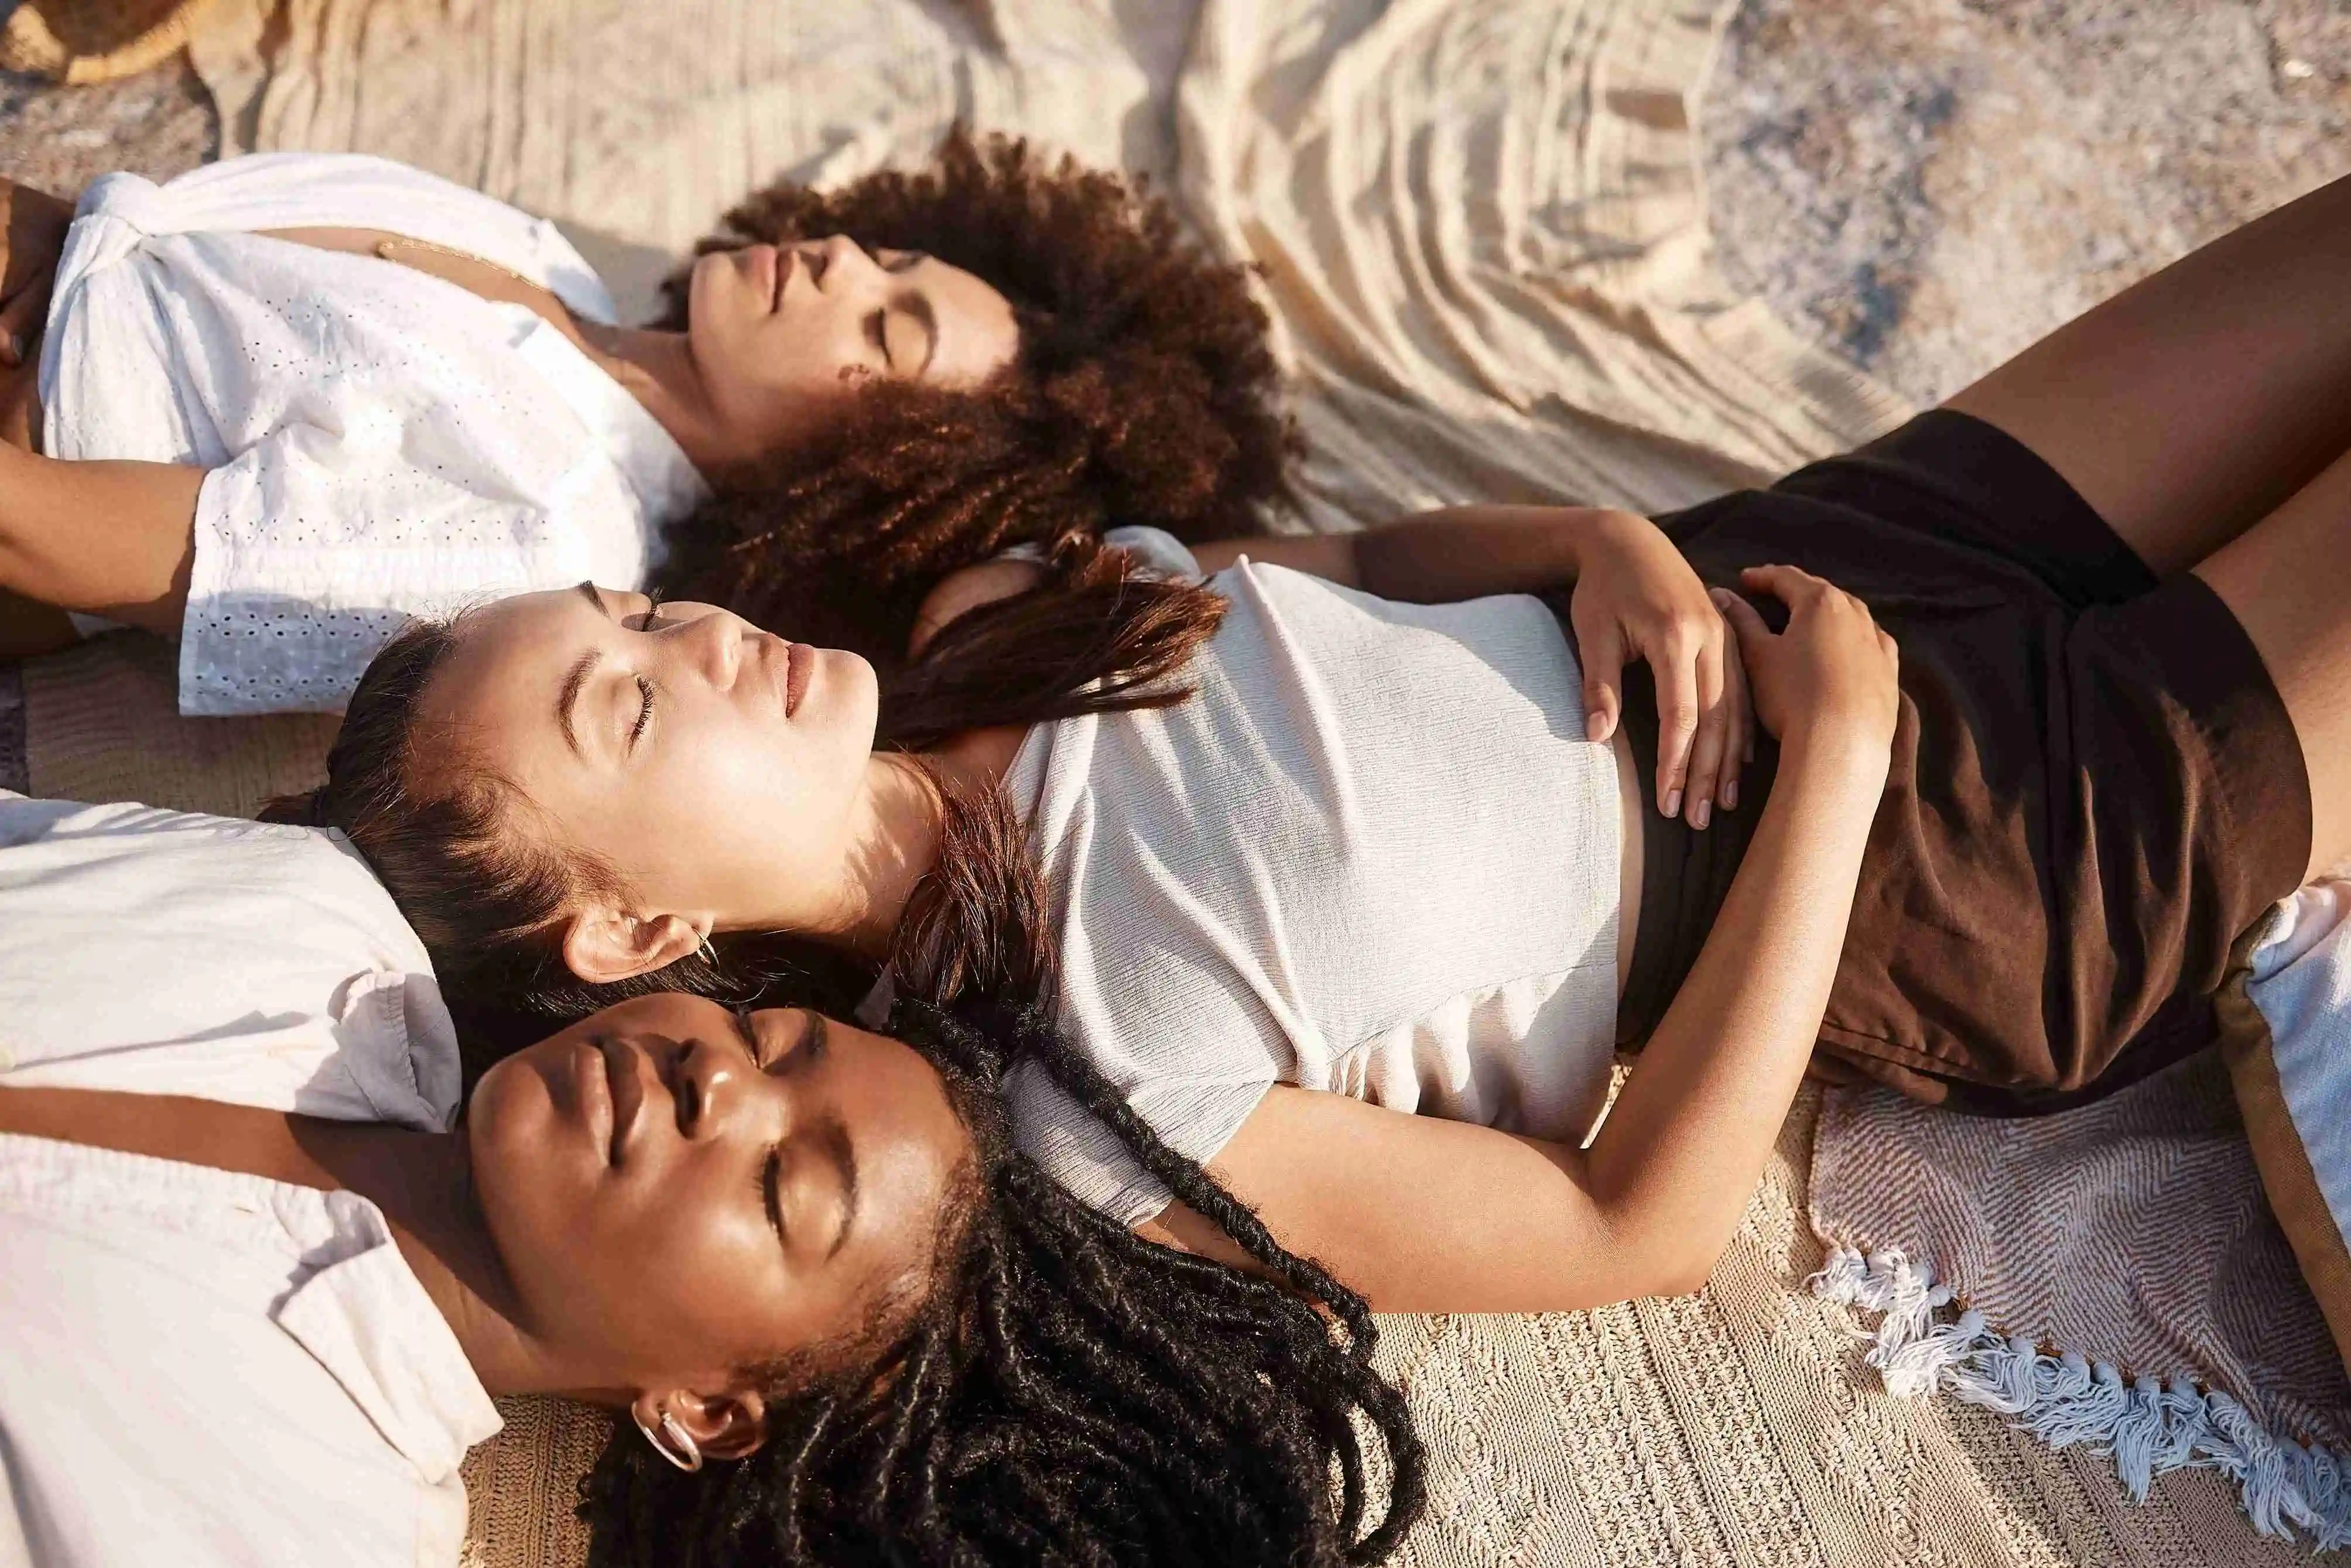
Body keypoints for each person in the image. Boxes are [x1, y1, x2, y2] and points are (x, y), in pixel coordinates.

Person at [291, 169, 2351, 1319]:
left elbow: (1364, 546)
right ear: (633, 928)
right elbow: (1616, 1229)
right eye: (628, 696)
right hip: (1965, 860)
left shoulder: (979, 614)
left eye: (644, 605)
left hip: (1801, 556)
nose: (707, 632)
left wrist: (1594, 540)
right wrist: (1831, 765)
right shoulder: (1082, 1078)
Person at [0, 795, 1420, 1567]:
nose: (716, 1083)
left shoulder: (307, 1525)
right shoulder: (319, 924)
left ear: (708, 1410)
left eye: (784, 1185)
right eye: (767, 1039)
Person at [0, 131, 1285, 711]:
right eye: (891, 250)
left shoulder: (548, 537)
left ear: (885, 472)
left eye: (887, 326)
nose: (842, 256)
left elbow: (57, 540)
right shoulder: (553, 266)